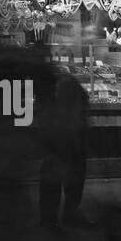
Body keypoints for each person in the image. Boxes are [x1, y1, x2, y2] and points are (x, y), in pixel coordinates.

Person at [37, 60, 94, 228]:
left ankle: (48, 219)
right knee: (73, 183)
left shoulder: (50, 94)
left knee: (51, 184)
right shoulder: (72, 89)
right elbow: (82, 116)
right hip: (71, 144)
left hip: (57, 146)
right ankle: (70, 215)